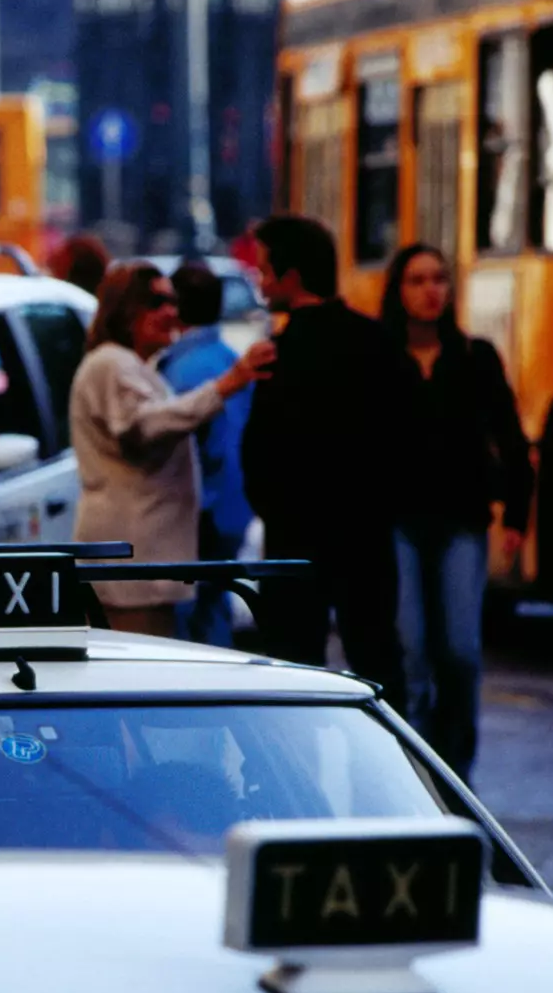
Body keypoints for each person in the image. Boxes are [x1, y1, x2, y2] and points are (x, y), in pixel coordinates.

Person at [241, 214, 409, 704]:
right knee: (378, 664)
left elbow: (260, 450)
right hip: (366, 537)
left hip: (295, 541)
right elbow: (400, 437)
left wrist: (274, 509)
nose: (261, 282)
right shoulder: (376, 342)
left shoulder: (279, 353)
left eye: (266, 271)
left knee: (292, 675)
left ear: (292, 279)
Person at [381, 242, 532, 780]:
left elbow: (510, 439)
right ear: (399, 291)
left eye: (439, 279)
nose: (431, 291)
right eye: (418, 280)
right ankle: (417, 780)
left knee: (462, 653)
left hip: (461, 523)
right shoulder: (380, 357)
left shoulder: (475, 357)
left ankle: (459, 777)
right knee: (413, 653)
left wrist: (516, 513)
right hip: (395, 523)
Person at [70, 262, 269, 637]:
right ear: (125, 308)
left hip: (143, 567)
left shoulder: (134, 365)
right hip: (132, 571)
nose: (171, 313)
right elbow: (142, 426)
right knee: (137, 685)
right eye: (156, 301)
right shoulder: (112, 363)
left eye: (173, 302)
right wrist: (227, 384)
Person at [158, 259, 255, 647]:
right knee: (216, 612)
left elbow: (197, 448)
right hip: (234, 510)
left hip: (202, 515)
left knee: (186, 629)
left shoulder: (182, 370)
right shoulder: (230, 358)